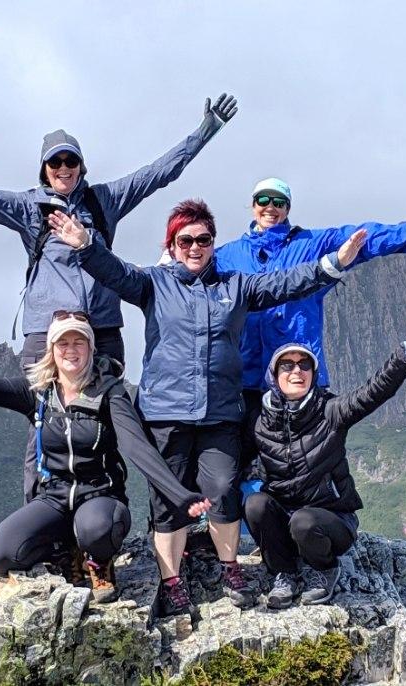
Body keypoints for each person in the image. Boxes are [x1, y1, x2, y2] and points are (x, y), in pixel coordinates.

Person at [0, 93, 238, 503]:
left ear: (81, 167)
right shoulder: (28, 208)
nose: (63, 169)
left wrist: (205, 132)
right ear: (44, 169)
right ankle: (41, 523)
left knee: (108, 420)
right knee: (41, 420)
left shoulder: (103, 201)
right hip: (47, 332)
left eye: (70, 161)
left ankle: (105, 522)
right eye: (55, 162)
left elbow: (160, 172)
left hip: (101, 329)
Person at [49, 199, 368, 616]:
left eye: (203, 239)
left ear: (213, 244)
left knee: (223, 491)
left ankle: (230, 567)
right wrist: (86, 244)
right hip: (166, 413)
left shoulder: (236, 286)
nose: (195, 247)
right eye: (186, 240)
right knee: (168, 501)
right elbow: (115, 271)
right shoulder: (153, 284)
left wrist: (333, 263)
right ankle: (172, 580)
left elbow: (289, 282)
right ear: (173, 244)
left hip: (220, 414)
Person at [0, 312, 210, 603]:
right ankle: (64, 552)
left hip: (100, 497)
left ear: (91, 348)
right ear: (52, 350)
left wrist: (180, 496)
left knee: (97, 529)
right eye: (62, 343)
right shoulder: (38, 393)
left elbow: (138, 448)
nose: (71, 350)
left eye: (78, 342)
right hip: (54, 498)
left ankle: (97, 562)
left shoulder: (109, 393)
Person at [213, 178, 406, 472]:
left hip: (300, 378)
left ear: (288, 208)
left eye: (279, 202)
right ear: (253, 205)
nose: (271, 208)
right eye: (264, 200)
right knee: (237, 469)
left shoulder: (310, 245)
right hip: (243, 382)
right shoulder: (227, 256)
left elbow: (367, 238)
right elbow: (191, 271)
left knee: (303, 467)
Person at [244, 318, 406, 609]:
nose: (297, 371)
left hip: (330, 522)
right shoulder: (259, 421)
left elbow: (374, 392)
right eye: (288, 365)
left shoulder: (330, 412)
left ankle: (324, 569)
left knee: (303, 521)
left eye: (305, 365)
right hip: (286, 518)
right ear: (274, 375)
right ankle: (285, 572)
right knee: (255, 504)